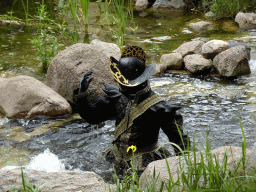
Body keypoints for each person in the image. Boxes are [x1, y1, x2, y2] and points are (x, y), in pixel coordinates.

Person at [73, 45, 190, 173]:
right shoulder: (116, 98)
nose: (121, 86)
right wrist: (82, 94)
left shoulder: (158, 107)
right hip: (116, 157)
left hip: (144, 162)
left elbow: (180, 142)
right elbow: (93, 117)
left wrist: (185, 169)